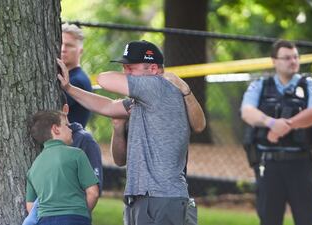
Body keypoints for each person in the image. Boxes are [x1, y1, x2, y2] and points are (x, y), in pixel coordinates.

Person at [57, 40, 205, 225]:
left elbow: (104, 79)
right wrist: (69, 88)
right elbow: (108, 106)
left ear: (153, 69)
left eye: (130, 68)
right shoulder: (141, 101)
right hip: (143, 197)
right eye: (124, 68)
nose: (125, 73)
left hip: (160, 197)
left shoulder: (157, 87)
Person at [241, 40, 312, 225]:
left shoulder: (309, 85)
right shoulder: (260, 85)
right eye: (287, 57)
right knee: (269, 219)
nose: (293, 61)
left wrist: (287, 125)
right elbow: (247, 111)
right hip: (269, 165)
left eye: (296, 57)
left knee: (307, 218)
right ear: (274, 61)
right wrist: (271, 122)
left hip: (301, 163)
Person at [22, 95, 103, 225]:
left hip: (45, 220)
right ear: (56, 129)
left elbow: (31, 206)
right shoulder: (77, 155)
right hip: (75, 218)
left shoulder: (34, 167)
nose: (70, 129)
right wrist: (81, 213)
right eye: (66, 125)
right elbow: (93, 192)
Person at [61, 23, 93, 127]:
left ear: (80, 51)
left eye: (69, 45)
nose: (63, 49)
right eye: (61, 43)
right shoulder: (69, 77)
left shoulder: (77, 81)